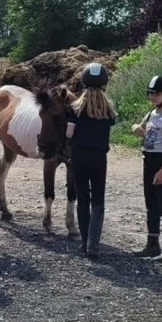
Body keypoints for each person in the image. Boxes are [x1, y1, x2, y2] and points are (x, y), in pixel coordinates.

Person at [65, 62, 116, 258]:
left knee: (83, 200)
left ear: (84, 83)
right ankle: (94, 242)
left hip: (79, 158)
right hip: (99, 158)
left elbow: (69, 134)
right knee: (98, 201)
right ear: (104, 84)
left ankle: (84, 243)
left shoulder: (74, 109)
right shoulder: (108, 110)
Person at [131, 74, 162, 261]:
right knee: (151, 204)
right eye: (151, 93)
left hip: (161, 162)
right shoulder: (151, 114)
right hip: (148, 161)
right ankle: (152, 244)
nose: (152, 97)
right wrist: (135, 128)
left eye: (157, 94)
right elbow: (140, 128)